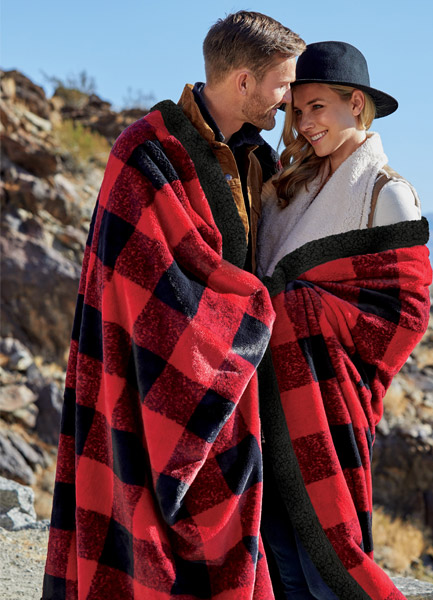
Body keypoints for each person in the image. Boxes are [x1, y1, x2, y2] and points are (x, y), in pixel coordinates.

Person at [42, 11, 304, 600]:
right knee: (141, 548)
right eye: (283, 86)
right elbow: (141, 285)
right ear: (243, 82)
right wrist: (251, 309)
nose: (287, 101)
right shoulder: (146, 152)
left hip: (229, 385)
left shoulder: (258, 159)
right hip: (144, 380)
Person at [256, 42, 432, 599]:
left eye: (319, 108)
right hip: (263, 393)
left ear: (356, 104)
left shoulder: (388, 194)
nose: (305, 123)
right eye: (297, 110)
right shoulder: (287, 188)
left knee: (327, 560)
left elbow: (405, 316)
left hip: (327, 397)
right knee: (278, 553)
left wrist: (306, 312)